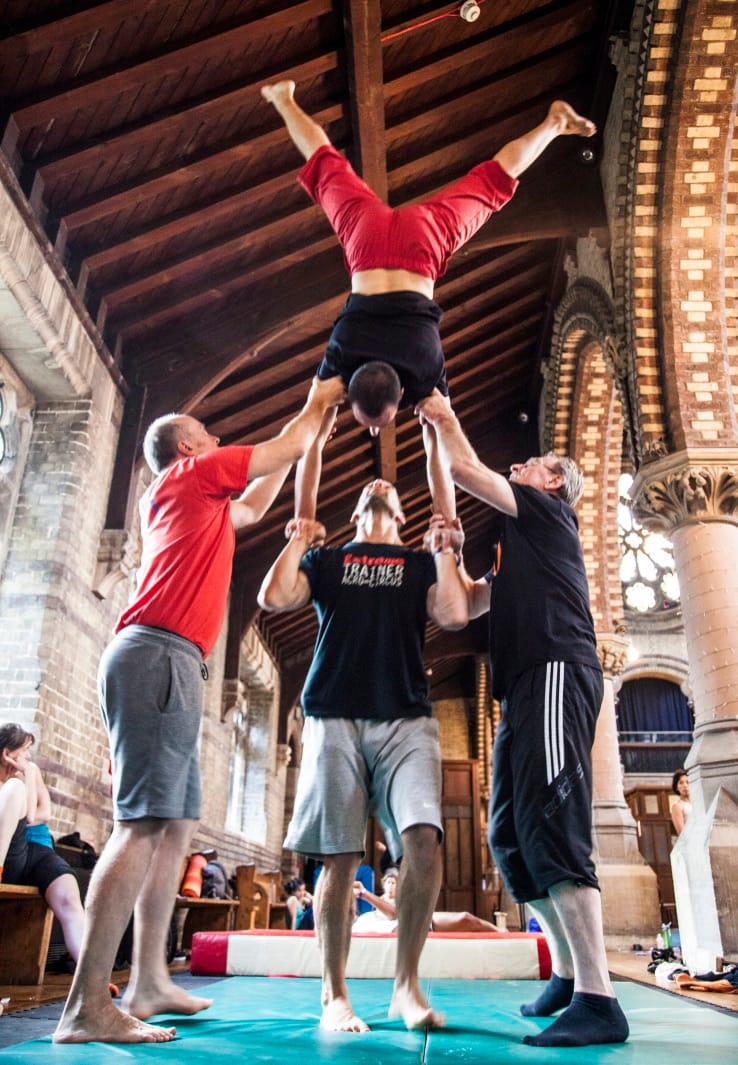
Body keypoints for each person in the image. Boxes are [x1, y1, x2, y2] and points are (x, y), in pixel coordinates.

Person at [53, 374, 344, 1046]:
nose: (217, 437)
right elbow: (284, 443)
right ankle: (85, 1003)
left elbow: (258, 498)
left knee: (175, 824)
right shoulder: (192, 472)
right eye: (208, 433)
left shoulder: (196, 500)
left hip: (170, 660)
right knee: (142, 823)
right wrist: (319, 399)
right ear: (188, 446)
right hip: (158, 655)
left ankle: (148, 979)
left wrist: (304, 445)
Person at [417, 391, 629, 1048]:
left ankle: (600, 997)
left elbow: (465, 471)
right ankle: (567, 973)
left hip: (555, 669)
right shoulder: (515, 549)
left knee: (554, 824)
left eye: (533, 462)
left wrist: (442, 410)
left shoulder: (547, 512)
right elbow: (455, 612)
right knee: (509, 833)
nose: (521, 468)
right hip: (520, 689)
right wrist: (445, 550)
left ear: (555, 481)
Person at [258, 451, 468, 1032]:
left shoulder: (420, 561)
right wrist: (296, 539)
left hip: (405, 715)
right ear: (355, 512)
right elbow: (273, 600)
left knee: (424, 838)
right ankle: (334, 995)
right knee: (341, 856)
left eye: (390, 487)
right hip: (333, 714)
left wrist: (447, 548)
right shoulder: (327, 560)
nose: (379, 483)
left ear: (402, 511)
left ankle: (406, 987)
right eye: (370, 487)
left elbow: (452, 615)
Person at [261, 80, 595, 439]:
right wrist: (319, 417)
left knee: (492, 182)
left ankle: (554, 124)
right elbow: (308, 416)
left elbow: (446, 431)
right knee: (325, 163)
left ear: (402, 394)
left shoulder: (424, 365)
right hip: (366, 245)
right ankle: (282, 99)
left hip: (424, 247)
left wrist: (338, 419)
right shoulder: (340, 358)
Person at [0, 724, 86, 970]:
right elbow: (27, 816)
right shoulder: (13, 784)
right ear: (8, 753)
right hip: (11, 851)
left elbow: (40, 814)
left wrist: (26, 776)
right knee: (14, 790)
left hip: (36, 849)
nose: (28, 756)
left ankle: (90, 978)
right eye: (25, 749)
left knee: (69, 895)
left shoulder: (31, 770)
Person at [353, 868, 503, 934]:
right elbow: (390, 915)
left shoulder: (403, 897)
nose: (391, 885)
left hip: (420, 920)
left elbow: (395, 912)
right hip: (400, 927)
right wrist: (364, 894)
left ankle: (502, 933)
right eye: (389, 882)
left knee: (466, 918)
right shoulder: (378, 903)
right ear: (383, 884)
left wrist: (365, 893)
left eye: (394, 882)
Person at [670, 770, 691, 834]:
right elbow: (682, 833)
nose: (685, 785)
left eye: (687, 782)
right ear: (676, 787)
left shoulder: (698, 803)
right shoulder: (677, 806)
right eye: (681, 783)